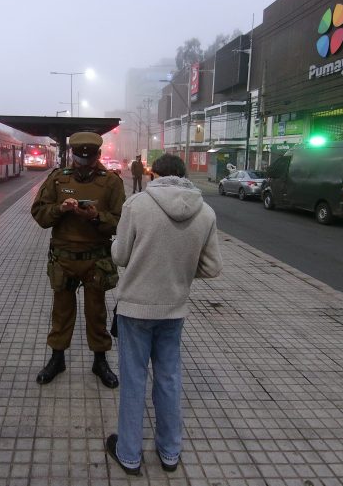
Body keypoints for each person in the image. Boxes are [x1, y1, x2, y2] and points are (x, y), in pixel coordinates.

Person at [105, 153, 223, 476]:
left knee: (133, 380)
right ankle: (170, 452)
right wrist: (179, 271)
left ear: (154, 175)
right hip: (173, 311)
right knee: (169, 378)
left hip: (135, 309)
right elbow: (213, 267)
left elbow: (120, 255)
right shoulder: (205, 212)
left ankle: (129, 454)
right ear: (183, 176)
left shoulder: (137, 206)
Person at [31, 131, 126, 388]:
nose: (84, 164)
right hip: (63, 259)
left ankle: (100, 360)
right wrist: (59, 210)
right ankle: (57, 358)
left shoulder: (112, 183)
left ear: (98, 155)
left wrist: (96, 217)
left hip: (96, 260)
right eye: (79, 158)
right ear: (72, 155)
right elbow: (39, 214)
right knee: (61, 311)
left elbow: (121, 222)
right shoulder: (57, 179)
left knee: (96, 312)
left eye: (90, 158)